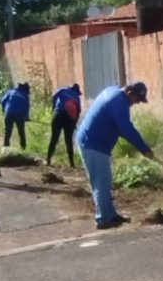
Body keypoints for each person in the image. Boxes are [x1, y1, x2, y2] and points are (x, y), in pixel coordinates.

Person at [75, 82, 155, 230]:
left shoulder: (114, 92)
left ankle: (110, 214)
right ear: (130, 93)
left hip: (95, 144)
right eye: (137, 99)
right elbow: (126, 129)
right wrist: (144, 149)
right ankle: (103, 219)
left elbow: (121, 127)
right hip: (93, 145)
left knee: (105, 180)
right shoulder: (118, 103)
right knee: (101, 182)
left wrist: (143, 148)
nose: (136, 103)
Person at [48, 83, 82, 167]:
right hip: (69, 119)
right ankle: (71, 163)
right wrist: (74, 123)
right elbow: (78, 111)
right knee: (69, 141)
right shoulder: (77, 97)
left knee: (54, 138)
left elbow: (54, 97)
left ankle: (48, 160)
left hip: (58, 115)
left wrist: (53, 108)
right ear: (77, 91)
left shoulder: (62, 89)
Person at [1, 82, 31, 149]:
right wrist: (26, 117)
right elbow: (26, 107)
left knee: (8, 132)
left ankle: (6, 148)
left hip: (9, 113)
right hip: (19, 115)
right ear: (26, 89)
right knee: (21, 132)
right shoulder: (25, 95)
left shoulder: (11, 92)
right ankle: (23, 148)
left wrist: (4, 110)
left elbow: (3, 101)